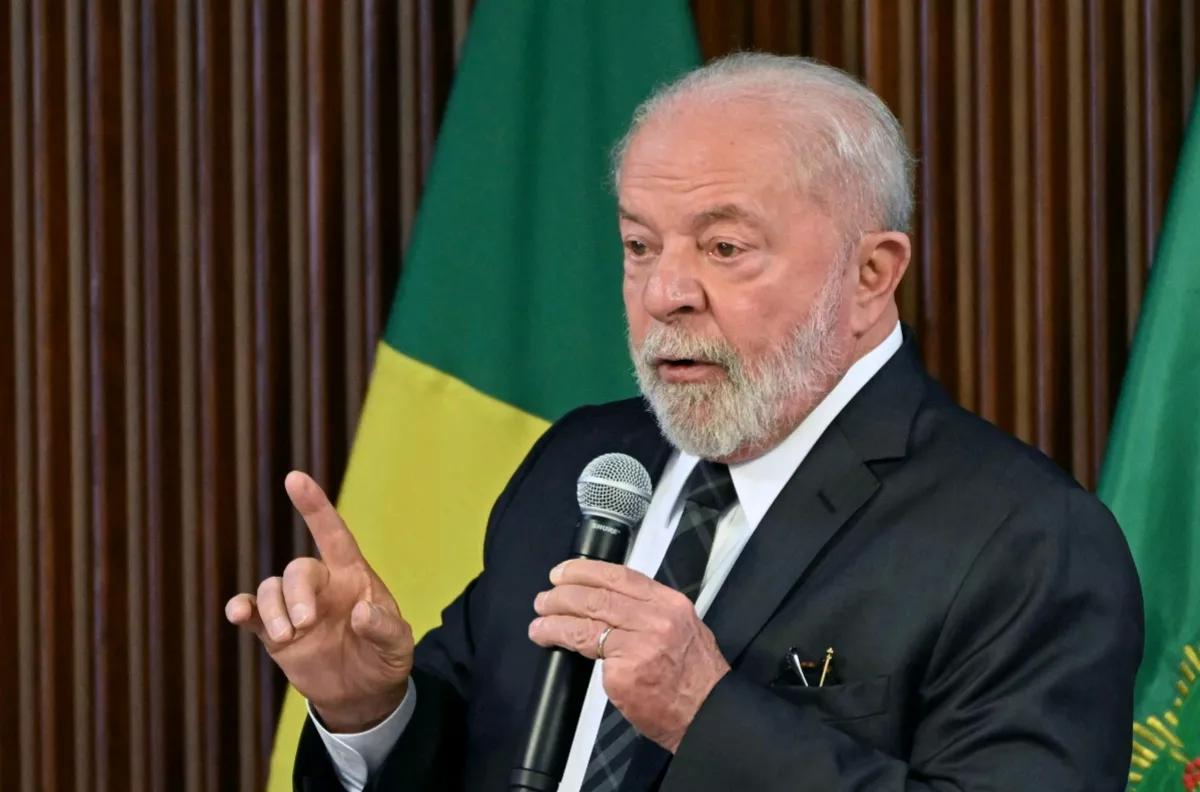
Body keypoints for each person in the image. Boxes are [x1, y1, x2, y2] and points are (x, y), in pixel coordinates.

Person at [226, 53, 1143, 791]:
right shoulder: (583, 463)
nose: (664, 292)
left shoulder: (1027, 538)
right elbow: (471, 748)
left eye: (724, 247)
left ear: (871, 275)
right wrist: (369, 712)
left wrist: (707, 718)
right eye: (639, 244)